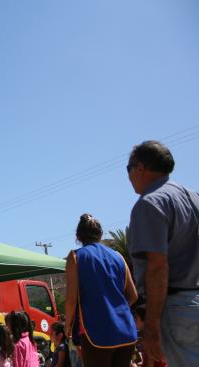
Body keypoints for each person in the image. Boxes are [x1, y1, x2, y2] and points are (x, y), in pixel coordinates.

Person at [126, 140, 199, 366]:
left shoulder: (150, 203)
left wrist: (152, 325)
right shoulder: (194, 198)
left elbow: (157, 266)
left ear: (140, 168)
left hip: (176, 309)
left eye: (128, 169)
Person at [64, 214, 138, 367]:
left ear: (78, 236)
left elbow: (71, 299)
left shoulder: (75, 257)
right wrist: (116, 309)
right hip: (126, 331)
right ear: (100, 234)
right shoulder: (118, 257)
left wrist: (67, 325)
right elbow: (133, 296)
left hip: (96, 332)